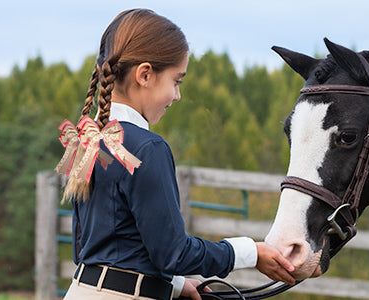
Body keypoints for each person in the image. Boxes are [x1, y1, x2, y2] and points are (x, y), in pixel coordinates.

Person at [58, 9, 295, 300]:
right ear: (145, 74)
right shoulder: (148, 148)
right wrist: (249, 253)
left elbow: (87, 248)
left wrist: (175, 284)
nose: (177, 96)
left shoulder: (87, 141)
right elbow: (174, 253)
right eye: (176, 81)